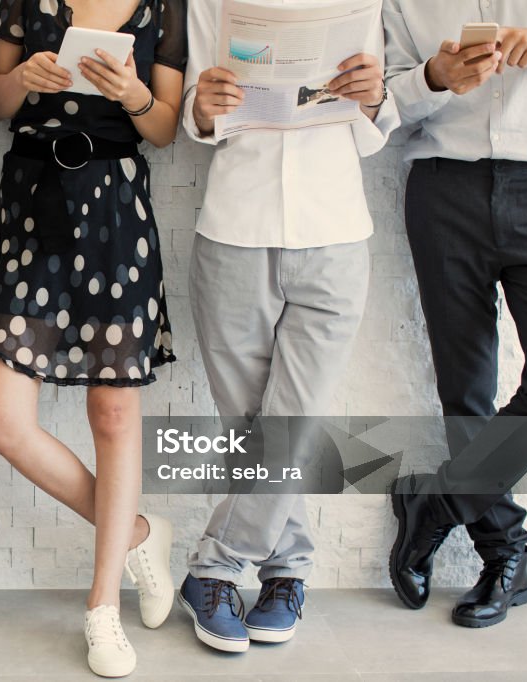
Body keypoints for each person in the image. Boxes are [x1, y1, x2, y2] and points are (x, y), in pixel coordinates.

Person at [0, 0, 185, 677]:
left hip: (117, 207)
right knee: (1, 419)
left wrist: (134, 94)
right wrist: (26, 77)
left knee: (114, 413)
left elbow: (166, 128)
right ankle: (142, 535)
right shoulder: (28, 1)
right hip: (34, 206)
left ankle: (103, 607)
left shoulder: (165, 6)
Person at [179, 0, 397, 653]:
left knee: (292, 427)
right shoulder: (212, 4)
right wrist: (204, 104)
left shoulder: (364, 3)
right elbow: (199, 115)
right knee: (253, 429)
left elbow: (378, 125)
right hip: (233, 230)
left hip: (336, 234)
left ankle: (214, 568)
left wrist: (374, 96)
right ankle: (286, 571)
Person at [383, 2, 527, 628]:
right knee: (466, 386)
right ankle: (505, 551)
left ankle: (437, 504)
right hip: (444, 186)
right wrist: (433, 78)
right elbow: (383, 106)